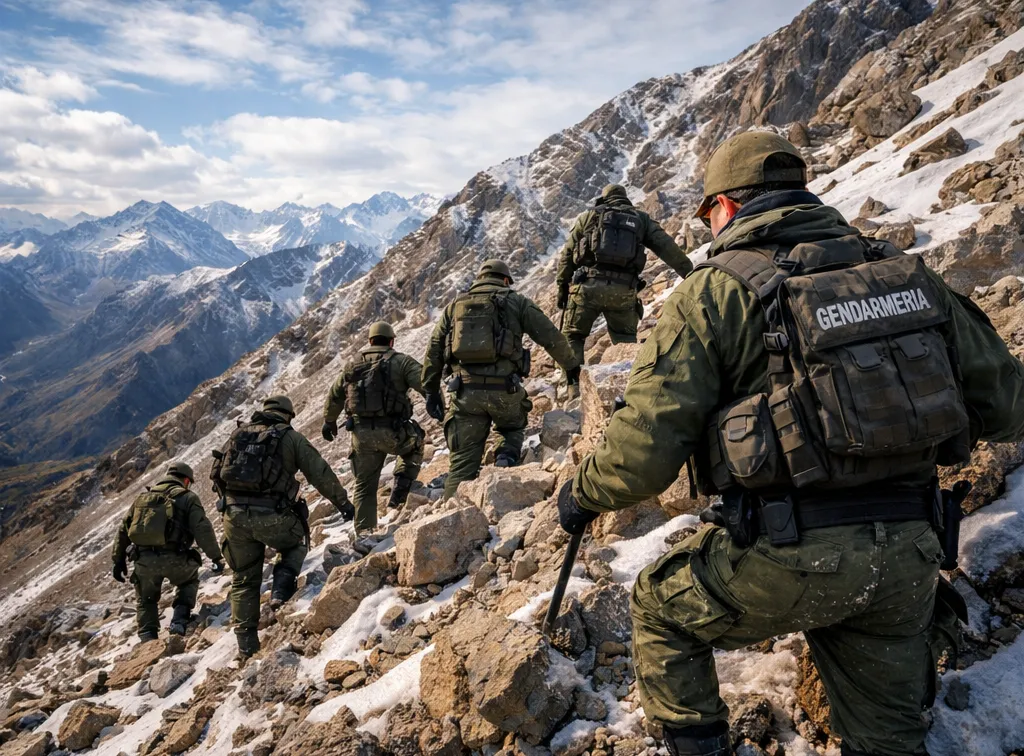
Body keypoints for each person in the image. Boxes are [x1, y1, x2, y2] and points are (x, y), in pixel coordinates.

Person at [557, 131, 1024, 756]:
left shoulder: (714, 291)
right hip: (912, 554)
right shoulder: (904, 273)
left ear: (724, 206)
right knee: (888, 740)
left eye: (706, 213)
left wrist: (583, 494)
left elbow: (644, 451)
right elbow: (1007, 409)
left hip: (790, 557)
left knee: (659, 606)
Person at [423, 259, 580, 499]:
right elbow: (551, 337)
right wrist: (570, 367)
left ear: (479, 279)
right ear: (505, 280)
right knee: (511, 427)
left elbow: (434, 350)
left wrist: (431, 391)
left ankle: (454, 511)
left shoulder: (454, 307)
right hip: (504, 391)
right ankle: (505, 459)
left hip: (464, 395)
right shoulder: (517, 302)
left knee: (462, 464)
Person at [212, 394, 353, 659]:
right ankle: (281, 590)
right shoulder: (289, 437)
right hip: (272, 515)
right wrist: (343, 504)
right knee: (296, 541)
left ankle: (246, 647)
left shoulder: (238, 436)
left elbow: (218, 475)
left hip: (234, 517)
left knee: (244, 578)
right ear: (287, 415)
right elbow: (319, 472)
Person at [556, 183, 693, 366]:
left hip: (587, 288)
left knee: (573, 336)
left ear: (604, 199)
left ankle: (573, 388)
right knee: (625, 340)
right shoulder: (641, 220)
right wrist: (689, 273)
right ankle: (626, 380)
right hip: (623, 290)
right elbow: (667, 248)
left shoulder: (588, 217)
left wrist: (562, 286)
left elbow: (567, 255)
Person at [322, 321, 426, 534]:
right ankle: (401, 488)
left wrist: (329, 421)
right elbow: (426, 382)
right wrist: (437, 404)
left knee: (364, 485)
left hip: (361, 436)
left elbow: (335, 395)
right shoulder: (401, 362)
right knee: (416, 441)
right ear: (391, 341)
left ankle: (364, 533)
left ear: (369, 341)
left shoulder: (352, 366)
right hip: (394, 433)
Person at [112, 461, 224, 642]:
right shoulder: (188, 497)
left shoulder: (142, 499)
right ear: (186, 480)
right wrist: (216, 557)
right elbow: (202, 529)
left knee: (146, 598)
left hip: (144, 560)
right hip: (177, 557)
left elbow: (123, 530)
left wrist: (118, 560)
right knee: (188, 582)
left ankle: (148, 638)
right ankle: (179, 622)